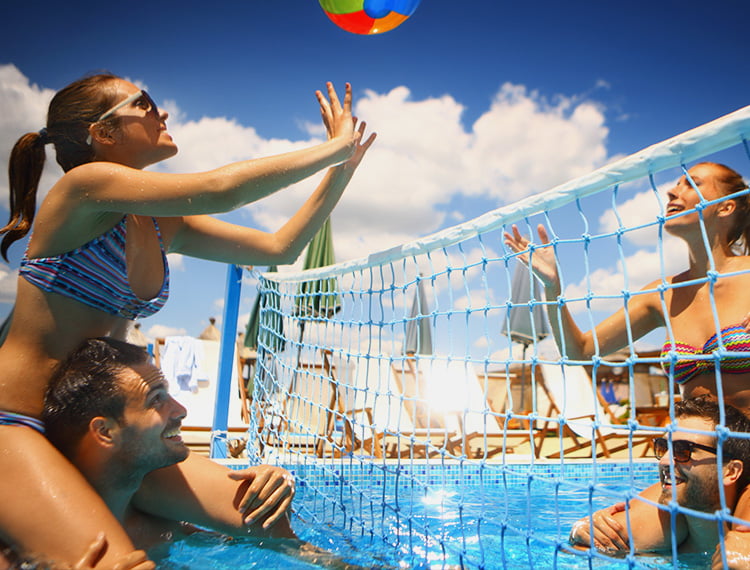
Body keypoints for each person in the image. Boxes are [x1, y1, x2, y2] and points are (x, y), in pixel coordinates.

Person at [0, 73, 375, 567]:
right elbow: (220, 189)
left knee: (260, 516)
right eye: (145, 103)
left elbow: (279, 247)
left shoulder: (163, 224)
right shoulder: (82, 188)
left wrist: (341, 167)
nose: (163, 113)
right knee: (118, 561)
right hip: (19, 422)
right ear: (102, 133)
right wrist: (329, 147)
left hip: (108, 427)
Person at [504, 162, 750, 413]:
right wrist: (552, 287)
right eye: (677, 183)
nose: (672, 191)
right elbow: (580, 351)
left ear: (726, 206)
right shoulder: (661, 295)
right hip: (694, 445)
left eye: (692, 183)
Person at [568, 396, 750, 567]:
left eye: (682, 451)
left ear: (731, 471)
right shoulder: (657, 527)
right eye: (663, 448)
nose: (664, 461)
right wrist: (580, 531)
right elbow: (583, 548)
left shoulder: (742, 540)